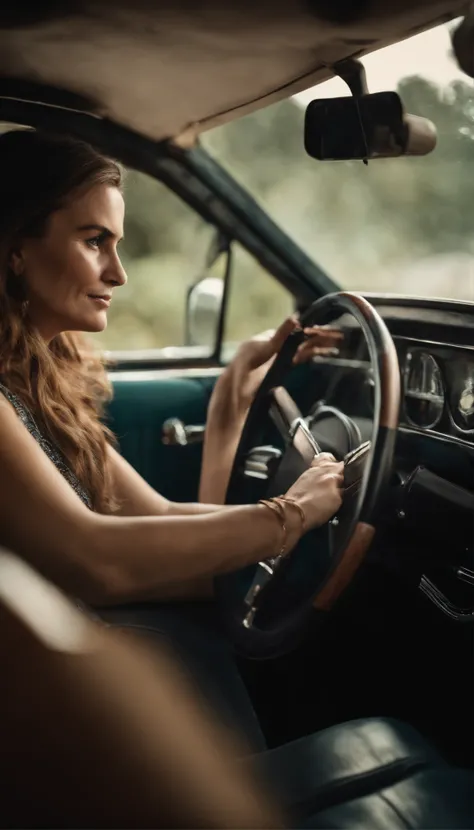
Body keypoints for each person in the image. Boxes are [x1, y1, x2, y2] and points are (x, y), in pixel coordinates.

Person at [0, 128, 343, 746]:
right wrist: (290, 514)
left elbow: (155, 519)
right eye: (94, 240)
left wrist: (231, 394)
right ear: (15, 248)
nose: (119, 273)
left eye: (116, 244)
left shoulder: (34, 381)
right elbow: (98, 562)